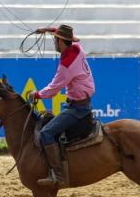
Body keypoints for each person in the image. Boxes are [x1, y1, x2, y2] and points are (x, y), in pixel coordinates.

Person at [27, 24, 95, 188]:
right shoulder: (77, 48)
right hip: (81, 103)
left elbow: (53, 90)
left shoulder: (66, 65)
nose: (54, 42)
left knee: (46, 133)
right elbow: (62, 32)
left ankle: (59, 176)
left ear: (61, 42)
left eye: (55, 40)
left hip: (77, 109)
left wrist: (36, 95)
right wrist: (48, 30)